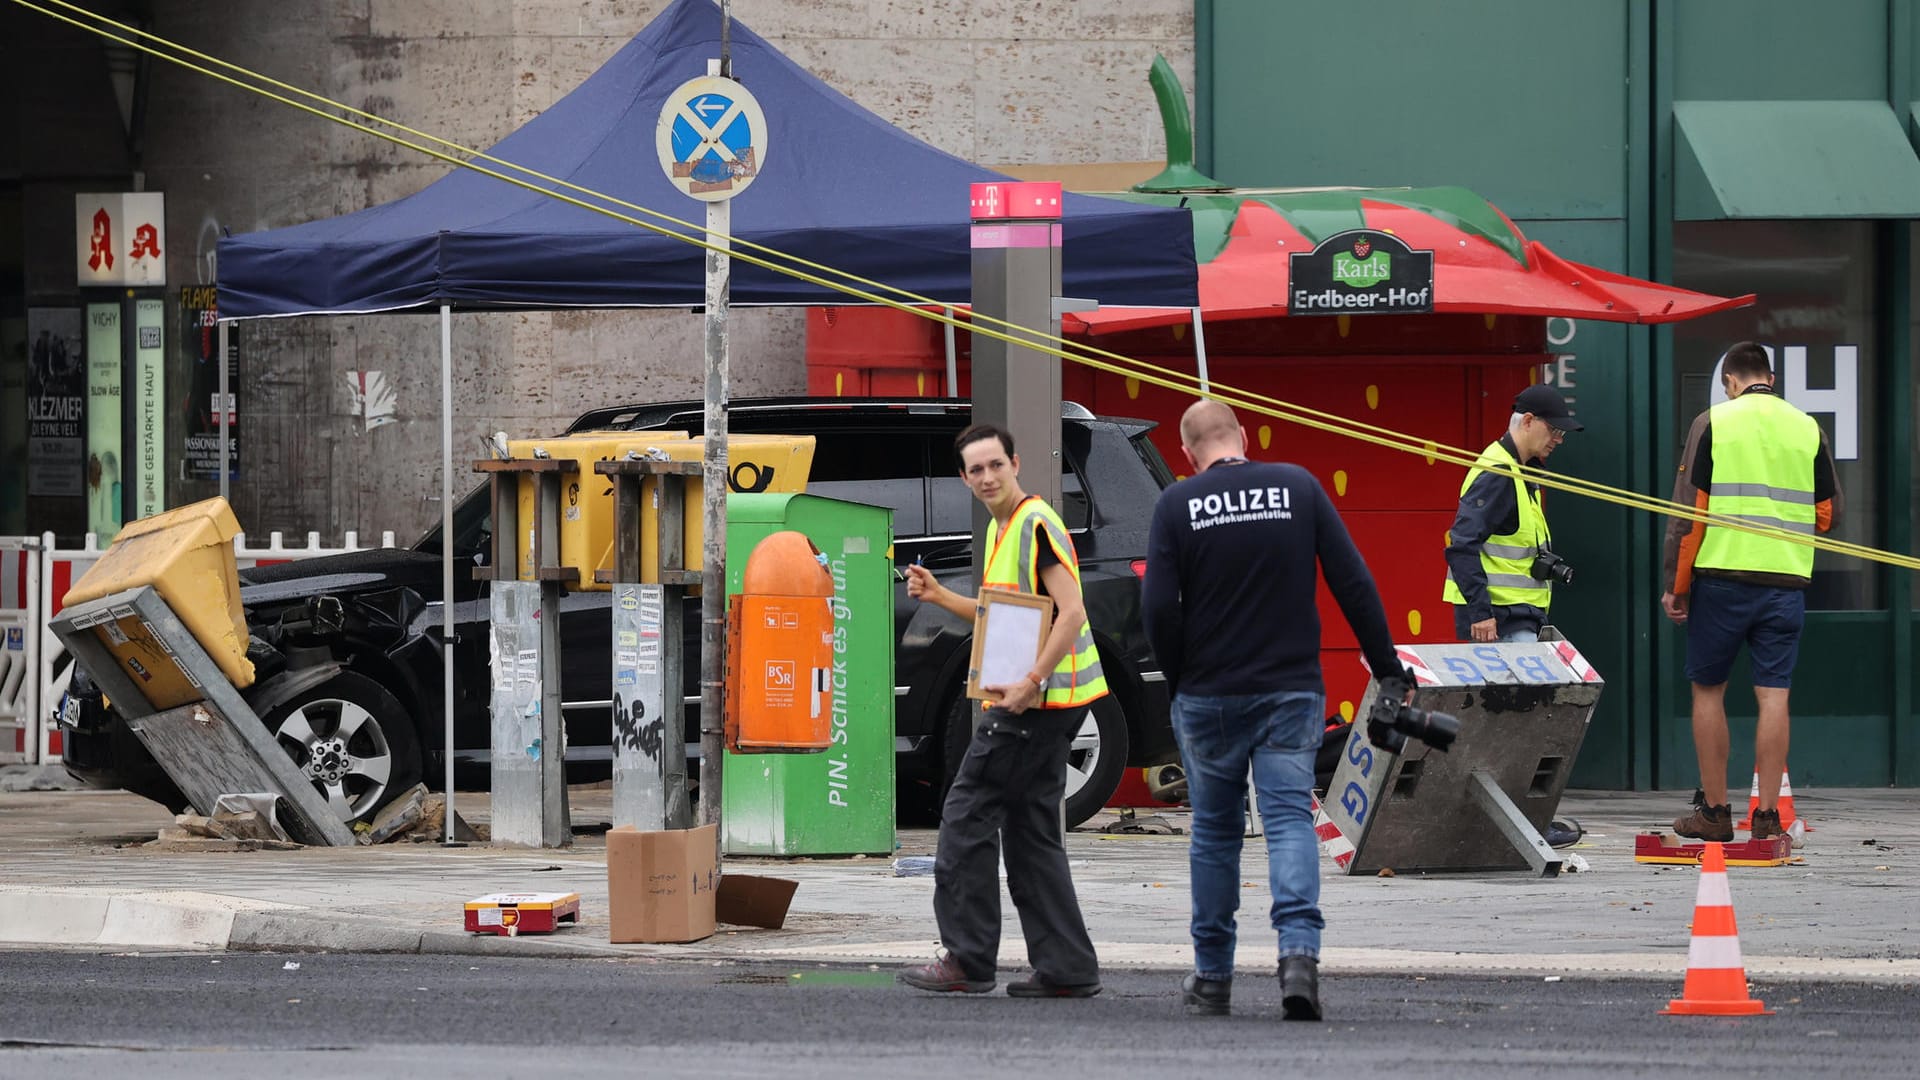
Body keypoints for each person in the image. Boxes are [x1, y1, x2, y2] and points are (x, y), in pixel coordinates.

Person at [1142, 399, 1410, 1022]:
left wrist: (1183, 680)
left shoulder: (1176, 505)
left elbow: (1158, 607)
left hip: (1208, 694)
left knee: (1214, 831)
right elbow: (1354, 583)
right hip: (1290, 689)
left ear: (1187, 453)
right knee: (1289, 817)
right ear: (1243, 435)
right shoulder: (1297, 486)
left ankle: (1212, 977)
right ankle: (1298, 959)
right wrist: (1389, 670)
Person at [896, 423, 1107, 999]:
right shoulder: (1001, 529)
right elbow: (1001, 616)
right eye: (976, 470)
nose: (988, 477)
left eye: (996, 465)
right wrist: (940, 595)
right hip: (1045, 702)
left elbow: (1071, 612)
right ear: (965, 478)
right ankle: (1066, 968)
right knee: (1032, 833)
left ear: (1015, 463)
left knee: (964, 818)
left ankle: (967, 959)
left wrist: (1030, 682)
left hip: (1032, 704)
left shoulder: (1036, 523)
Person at [1661, 342, 1840, 843]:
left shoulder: (1713, 422)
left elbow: (1688, 516)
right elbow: (1828, 514)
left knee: (1708, 691)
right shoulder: (1807, 428)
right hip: (1785, 584)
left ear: (1730, 383)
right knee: (1774, 695)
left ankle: (1715, 814)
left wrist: (1675, 587)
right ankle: (1766, 819)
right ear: (1772, 378)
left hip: (1721, 580)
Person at [1443, 384, 1583, 643]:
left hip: (1513, 617)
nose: (1559, 439)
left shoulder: (1518, 471)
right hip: (1500, 621)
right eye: (1554, 429)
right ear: (1528, 421)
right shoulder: (1501, 473)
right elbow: (1461, 544)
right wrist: (1481, 612)